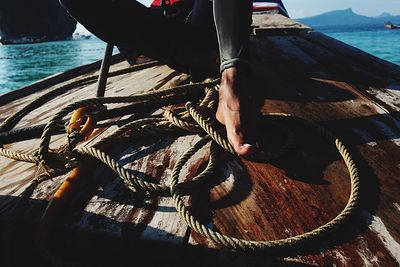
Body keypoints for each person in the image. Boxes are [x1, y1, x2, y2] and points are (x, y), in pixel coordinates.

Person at [59, 0, 286, 157]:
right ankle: (198, 58)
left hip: (207, 21)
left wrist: (233, 69)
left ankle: (230, 74)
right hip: (167, 32)